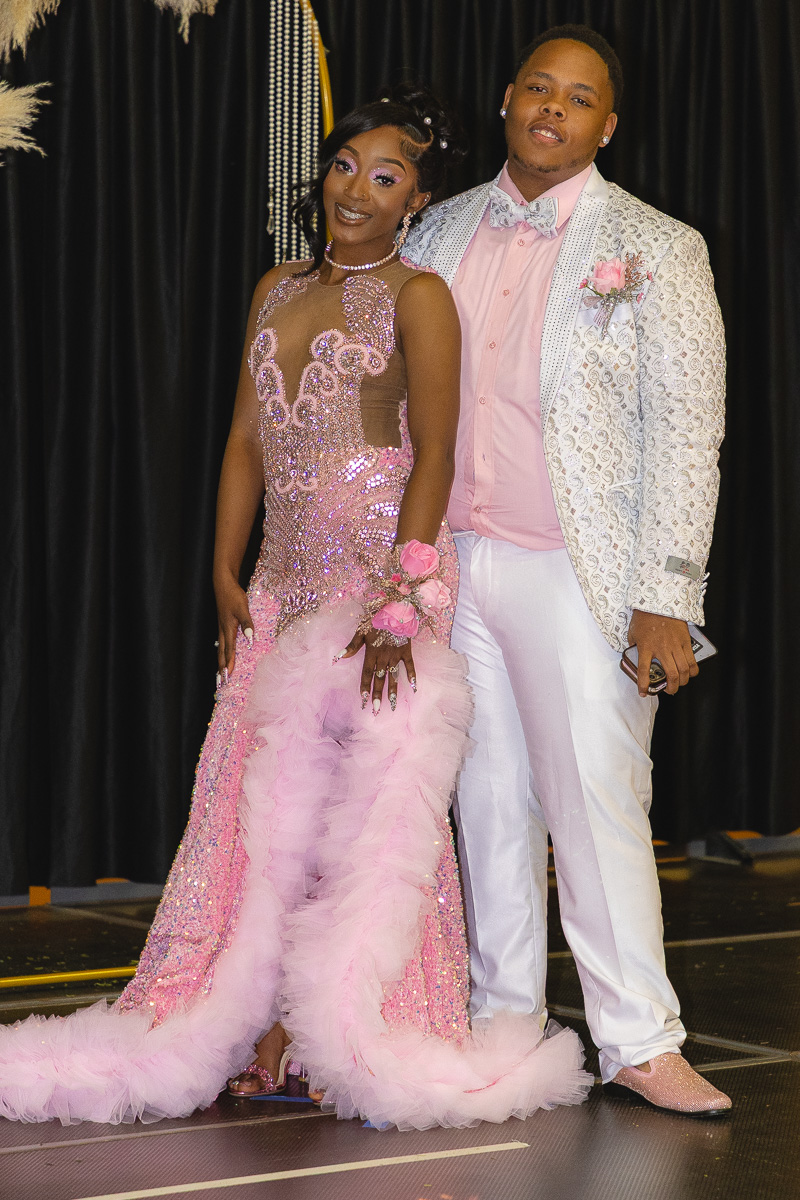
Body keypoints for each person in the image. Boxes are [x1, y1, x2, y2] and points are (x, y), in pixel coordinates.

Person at [0, 84, 592, 1130]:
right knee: (254, 814)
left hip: (377, 584)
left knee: (363, 819)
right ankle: (259, 1023)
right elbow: (242, 441)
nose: (355, 190)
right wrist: (224, 574)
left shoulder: (415, 296)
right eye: (344, 166)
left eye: (385, 176)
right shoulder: (275, 287)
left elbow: (437, 454)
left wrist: (402, 599)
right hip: (280, 583)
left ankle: (345, 1030)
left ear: (415, 199)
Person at [403, 27, 731, 1117]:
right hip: (456, 564)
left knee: (595, 801)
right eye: (537, 86)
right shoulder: (435, 230)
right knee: (485, 799)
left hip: (578, 574)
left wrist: (666, 597)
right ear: (506, 100)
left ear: (605, 126)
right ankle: (504, 1023)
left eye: (577, 96)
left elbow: (687, 432)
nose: (552, 106)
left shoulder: (655, 245)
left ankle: (639, 1037)